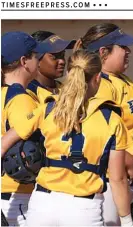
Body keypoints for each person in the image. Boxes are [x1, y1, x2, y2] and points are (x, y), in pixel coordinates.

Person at [1, 50, 133, 226]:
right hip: (83, 208)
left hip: (42, 204)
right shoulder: (111, 118)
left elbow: (3, 144)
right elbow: (118, 179)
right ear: (98, 78)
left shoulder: (48, 109)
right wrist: (126, 220)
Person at [75, 23, 133, 225]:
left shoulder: (122, 79)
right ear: (103, 52)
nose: (128, 51)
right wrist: (132, 164)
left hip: (129, 181)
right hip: (110, 184)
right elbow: (101, 138)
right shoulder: (101, 87)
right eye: (122, 47)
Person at [1, 31, 52, 226]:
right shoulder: (21, 99)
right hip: (17, 197)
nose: (38, 61)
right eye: (35, 56)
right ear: (24, 61)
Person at [27, 31, 75, 103]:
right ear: (36, 59)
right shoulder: (29, 93)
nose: (62, 61)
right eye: (54, 56)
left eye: (62, 55)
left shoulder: (66, 88)